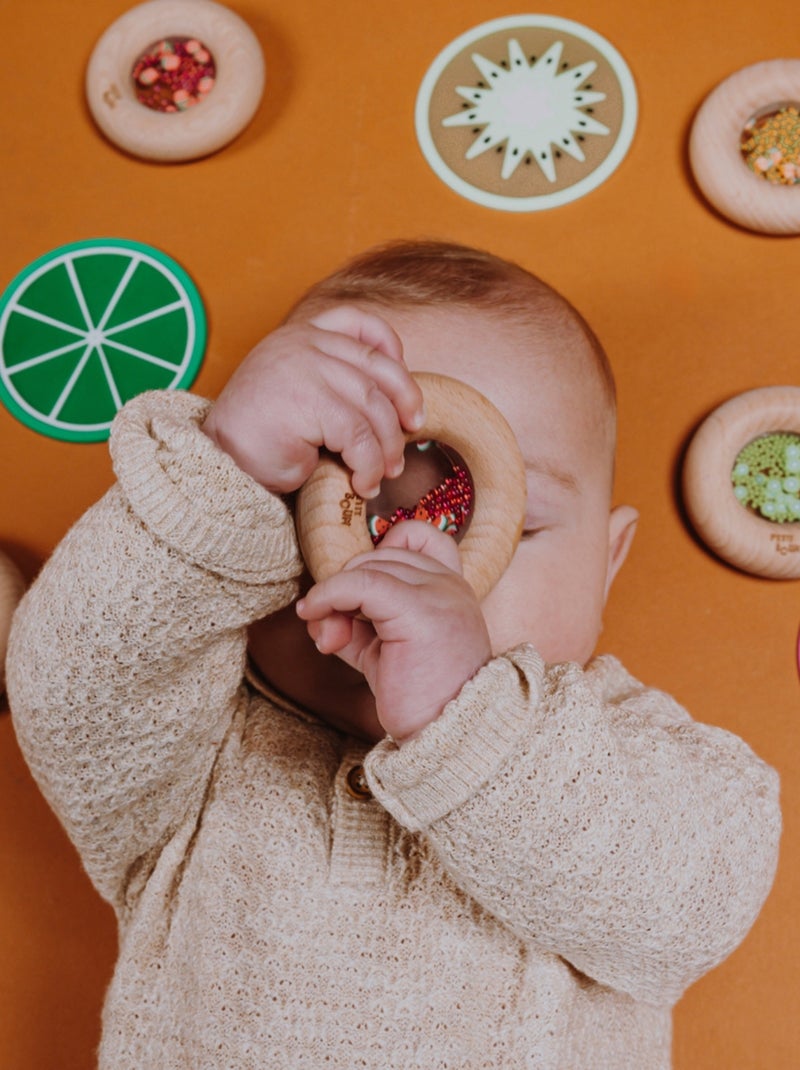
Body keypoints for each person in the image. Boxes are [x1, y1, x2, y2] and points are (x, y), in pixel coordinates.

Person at [8, 240, 780, 1069]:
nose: (406, 560)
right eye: (339, 509)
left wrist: (474, 721)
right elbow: (72, 684)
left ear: (608, 566)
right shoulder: (194, 748)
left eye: (504, 527)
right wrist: (221, 476)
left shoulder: (635, 757)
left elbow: (691, 908)